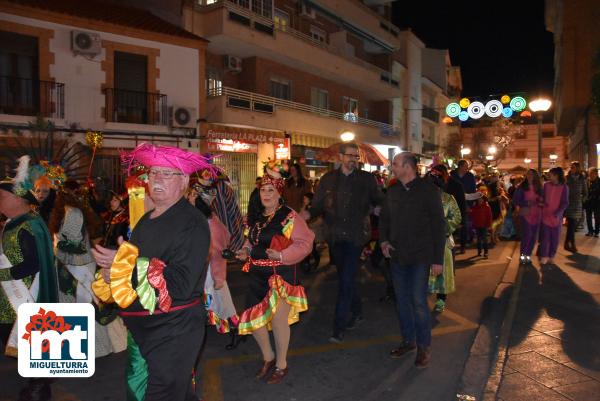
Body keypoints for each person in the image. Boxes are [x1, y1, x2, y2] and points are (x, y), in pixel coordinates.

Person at [92, 143, 213, 401]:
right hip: (145, 328)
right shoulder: (146, 221)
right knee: (178, 394)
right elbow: (136, 268)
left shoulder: (193, 223)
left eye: (166, 173)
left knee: (163, 394)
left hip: (174, 330)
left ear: (183, 181)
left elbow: (180, 284)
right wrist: (113, 272)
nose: (156, 179)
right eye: (153, 172)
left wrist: (125, 264)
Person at [235, 165, 314, 384]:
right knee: (253, 319)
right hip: (257, 274)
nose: (266, 195)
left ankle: (281, 364)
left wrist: (281, 255)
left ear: (279, 193)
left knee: (279, 320)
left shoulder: (289, 216)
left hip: (281, 275)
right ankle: (268, 357)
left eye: (271, 190)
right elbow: (251, 242)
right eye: (263, 190)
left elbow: (305, 243)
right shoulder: (257, 217)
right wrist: (245, 251)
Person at [303, 142, 384, 343]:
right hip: (335, 237)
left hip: (357, 237)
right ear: (340, 157)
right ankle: (357, 311)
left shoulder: (367, 179)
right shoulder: (328, 179)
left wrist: (379, 209)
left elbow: (379, 199)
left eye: (356, 157)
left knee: (346, 280)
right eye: (350, 156)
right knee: (346, 278)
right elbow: (318, 206)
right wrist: (303, 214)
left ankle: (339, 327)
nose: (354, 160)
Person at [379, 153, 446, 368]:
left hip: (420, 256)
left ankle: (424, 346)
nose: (392, 167)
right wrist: (384, 241)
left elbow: (438, 225)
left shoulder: (429, 190)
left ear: (408, 167)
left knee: (418, 301)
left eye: (395, 164)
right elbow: (384, 220)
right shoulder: (393, 190)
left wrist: (438, 259)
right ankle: (409, 341)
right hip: (397, 255)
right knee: (402, 301)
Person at [0, 156, 58, 401]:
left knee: (30, 342)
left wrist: (2, 274)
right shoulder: (15, 222)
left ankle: (39, 386)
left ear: (18, 199)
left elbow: (33, 264)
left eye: (2, 196)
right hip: (11, 298)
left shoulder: (29, 226)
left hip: (26, 297)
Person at [49, 180, 127, 358]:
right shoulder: (67, 212)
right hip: (70, 264)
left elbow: (73, 244)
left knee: (87, 305)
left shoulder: (73, 212)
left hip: (78, 266)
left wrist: (57, 247)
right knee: (75, 307)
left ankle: (97, 347)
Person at [426, 169, 462, 313]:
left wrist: (442, 228)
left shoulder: (448, 199)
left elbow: (456, 218)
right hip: (424, 242)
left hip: (443, 242)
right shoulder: (422, 199)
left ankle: (441, 299)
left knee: (443, 272)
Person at [512, 169, 544, 264]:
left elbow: (543, 199)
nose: (529, 176)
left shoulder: (539, 187)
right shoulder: (522, 187)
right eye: (528, 174)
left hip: (537, 214)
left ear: (535, 176)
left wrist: (541, 202)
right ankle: (523, 255)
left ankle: (528, 255)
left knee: (533, 237)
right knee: (527, 235)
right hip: (525, 213)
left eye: (531, 174)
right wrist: (527, 202)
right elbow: (515, 200)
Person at [540, 167, 569, 264]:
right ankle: (544, 256)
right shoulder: (546, 185)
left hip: (556, 217)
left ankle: (552, 255)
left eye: (550, 175)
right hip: (546, 215)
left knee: (555, 238)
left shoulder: (564, 187)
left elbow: (565, 203)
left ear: (556, 175)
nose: (549, 177)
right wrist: (541, 203)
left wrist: (558, 213)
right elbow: (542, 198)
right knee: (545, 237)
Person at [451, 159, 477, 253]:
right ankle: (451, 244)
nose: (467, 169)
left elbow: (473, 189)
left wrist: (471, 203)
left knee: (464, 225)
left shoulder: (470, 176)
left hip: (465, 203)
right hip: (453, 202)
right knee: (452, 224)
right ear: (460, 167)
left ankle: (463, 245)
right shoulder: (452, 175)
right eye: (465, 167)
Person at [564, 162, 587, 252]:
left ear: (578, 168)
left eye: (573, 167)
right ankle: (571, 244)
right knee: (571, 224)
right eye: (571, 167)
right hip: (568, 204)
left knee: (572, 225)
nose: (571, 168)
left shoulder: (582, 178)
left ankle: (568, 243)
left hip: (577, 205)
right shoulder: (567, 178)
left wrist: (582, 200)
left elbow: (585, 192)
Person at [470, 192, 492, 258]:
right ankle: (479, 251)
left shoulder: (487, 207)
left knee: (485, 239)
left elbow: (489, 216)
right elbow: (472, 216)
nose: (480, 200)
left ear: (483, 199)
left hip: (484, 225)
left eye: (481, 199)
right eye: (478, 199)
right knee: (479, 239)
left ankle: (486, 252)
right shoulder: (475, 207)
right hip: (477, 225)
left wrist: (489, 225)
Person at [585, 167, 600, 237]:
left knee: (597, 218)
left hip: (597, 202)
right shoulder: (587, 181)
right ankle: (590, 231)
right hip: (588, 202)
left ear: (596, 173)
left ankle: (596, 231)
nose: (589, 175)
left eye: (591, 173)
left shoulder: (599, 181)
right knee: (588, 217)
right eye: (589, 173)